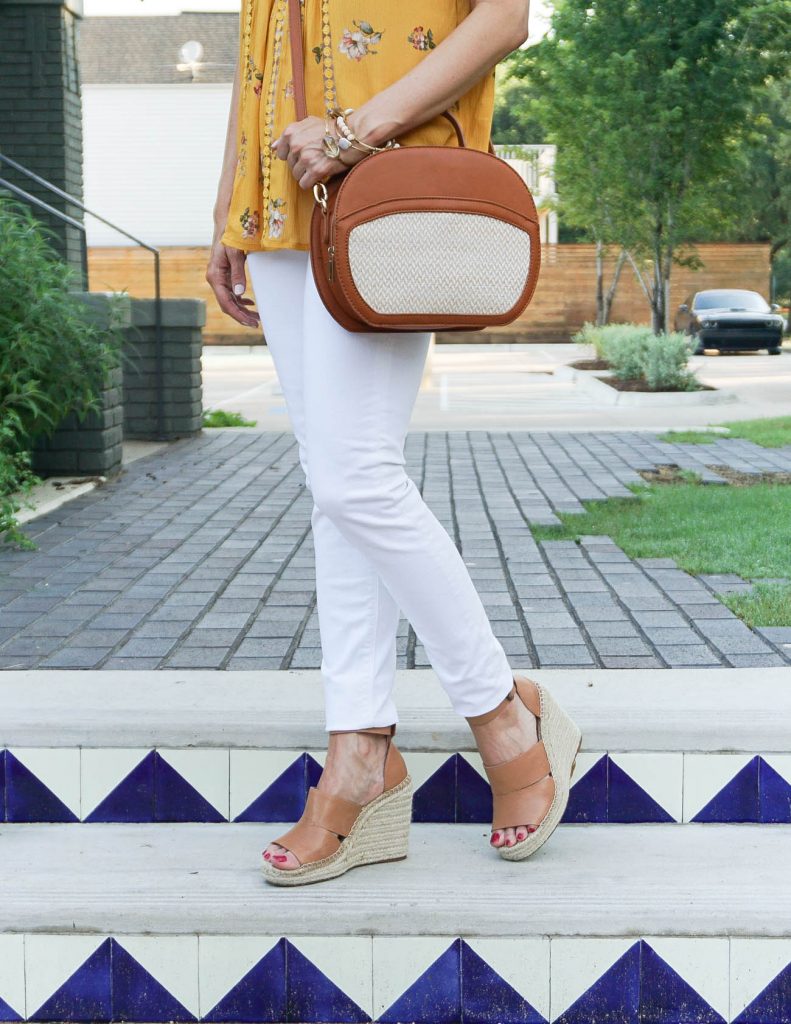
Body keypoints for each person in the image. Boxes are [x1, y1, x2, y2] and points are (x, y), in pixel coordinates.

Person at [207, 0, 582, 886]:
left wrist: (353, 130)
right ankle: (359, 747)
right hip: (279, 203)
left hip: (382, 181)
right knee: (335, 485)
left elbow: (505, 16)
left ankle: (500, 714)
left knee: (353, 480)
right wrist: (229, 208)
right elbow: (255, 49)